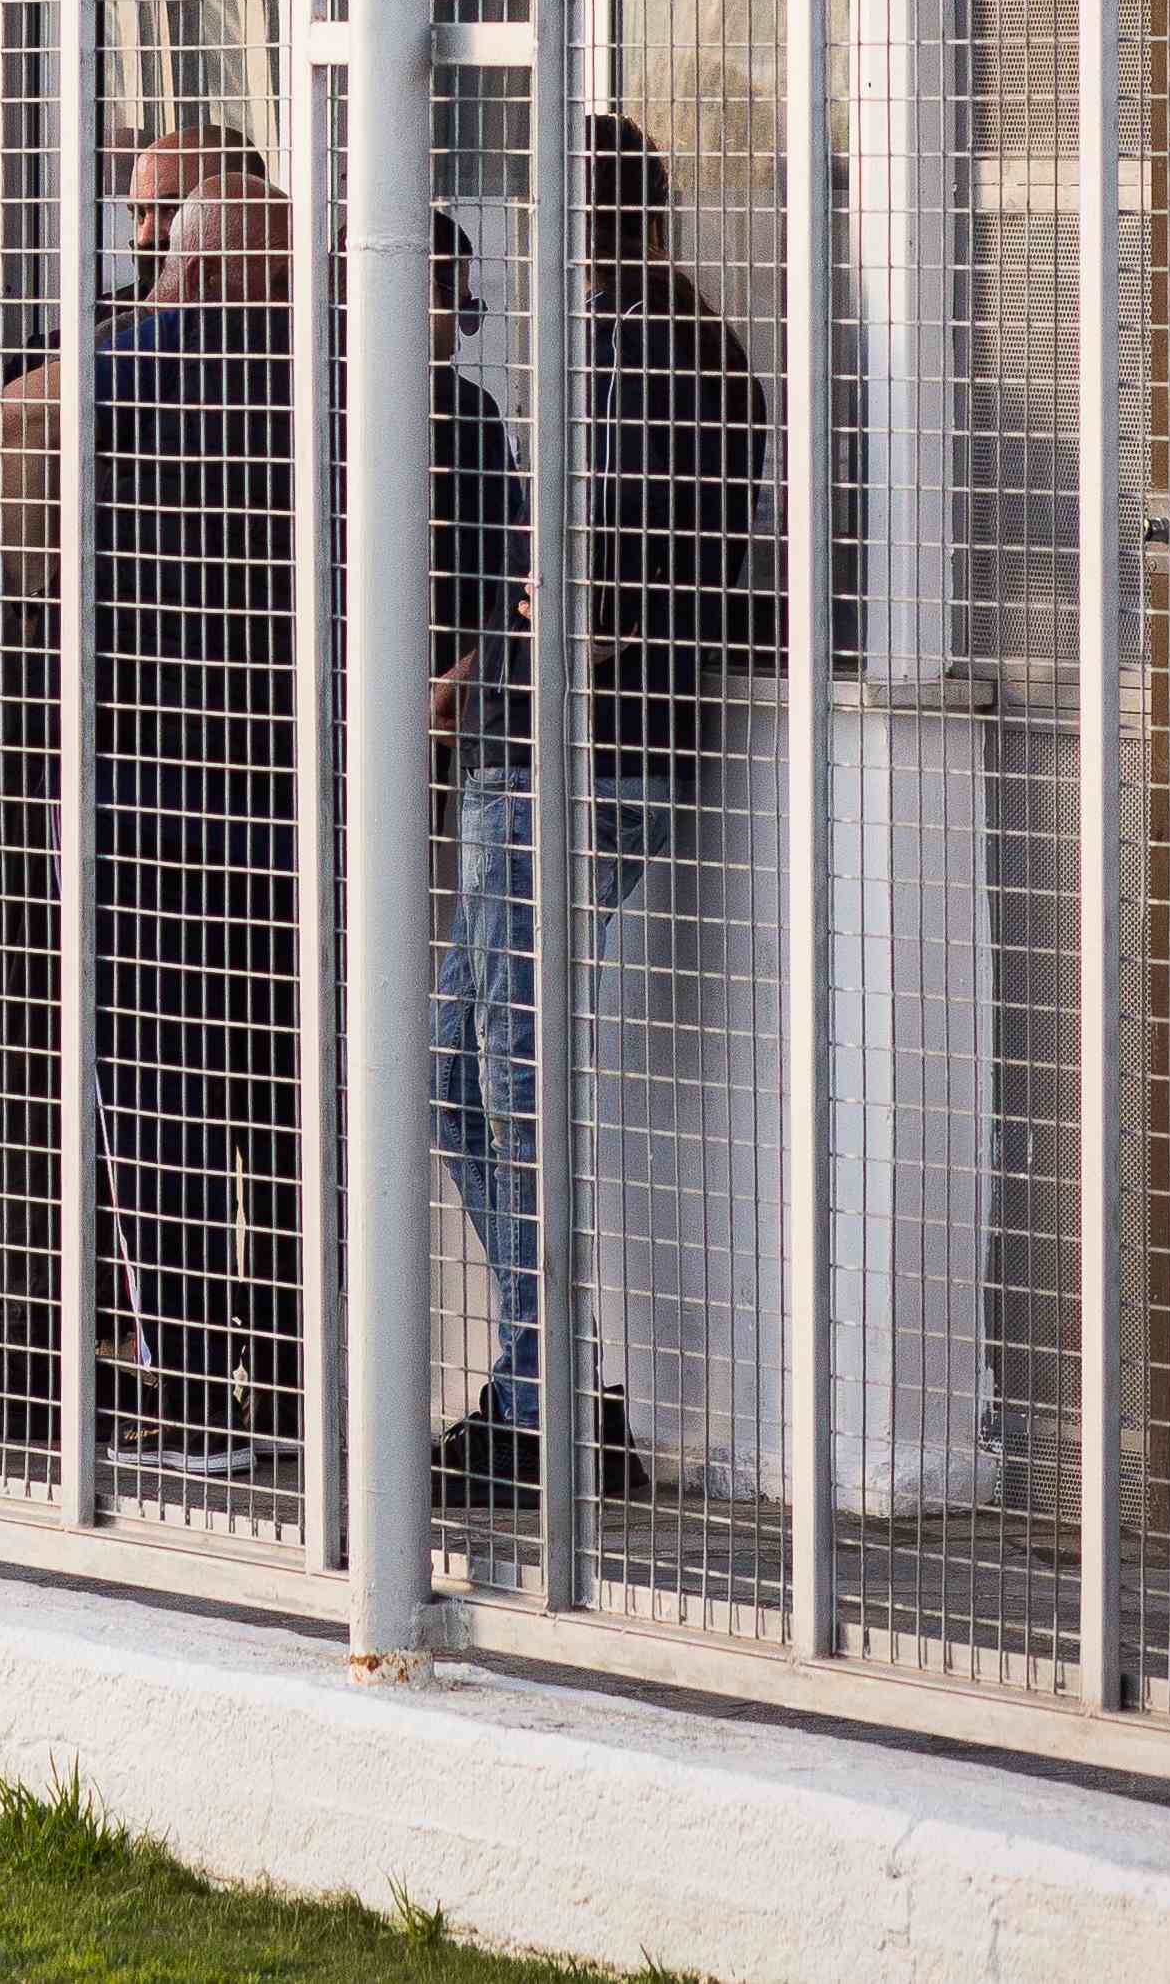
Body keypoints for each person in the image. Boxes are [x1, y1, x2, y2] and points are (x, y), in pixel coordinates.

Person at [426, 114, 771, 1511]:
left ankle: (549, 1403)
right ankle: (547, 1380)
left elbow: (608, 565)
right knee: (461, 1072)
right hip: (561, 747)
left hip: (572, 759)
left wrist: (536, 620)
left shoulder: (641, 352)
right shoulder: (662, 344)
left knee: (509, 1074)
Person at [81, 175, 302, 1472]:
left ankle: (178, 1384)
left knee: (155, 1095)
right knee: (272, 1099)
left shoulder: (121, 371)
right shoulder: (318, 381)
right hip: (275, 792)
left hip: (143, 785)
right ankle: (274, 1382)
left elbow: (12, 433)